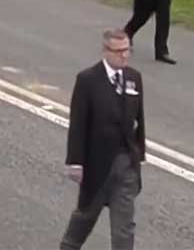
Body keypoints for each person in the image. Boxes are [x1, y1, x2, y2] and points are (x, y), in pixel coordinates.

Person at [59, 29, 146, 250]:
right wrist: (76, 162)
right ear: (106, 51)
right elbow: (78, 124)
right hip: (97, 166)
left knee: (124, 229)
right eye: (119, 51)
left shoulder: (134, 78)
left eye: (127, 50)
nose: (124, 56)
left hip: (125, 165)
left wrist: (139, 157)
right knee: (85, 218)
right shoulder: (88, 80)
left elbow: (139, 120)